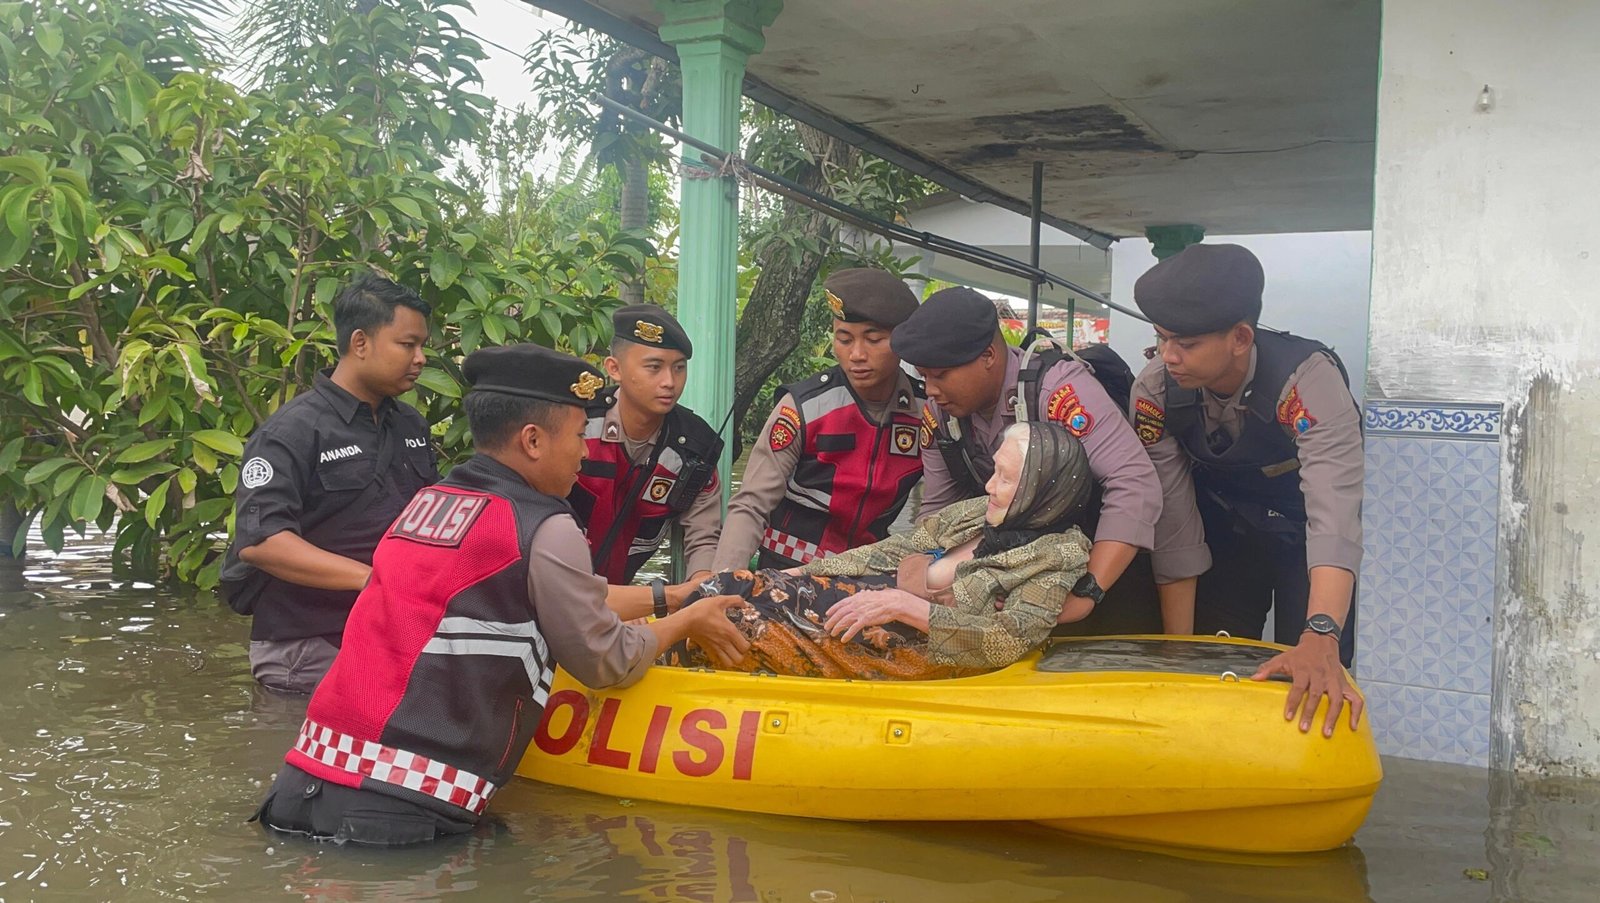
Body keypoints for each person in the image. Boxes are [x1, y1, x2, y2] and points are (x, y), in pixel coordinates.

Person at [253, 343, 750, 845]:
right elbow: (608, 660)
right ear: (532, 440)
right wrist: (687, 624)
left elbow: (572, 596)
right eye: (579, 435)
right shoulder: (546, 525)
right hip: (401, 806)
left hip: (302, 784)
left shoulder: (429, 502)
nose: (584, 452)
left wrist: (673, 598)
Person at [1130, 243, 1365, 737]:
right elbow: (1174, 522)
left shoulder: (1308, 382)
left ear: (1240, 337)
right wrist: (1179, 654)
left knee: (1314, 678)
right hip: (1226, 532)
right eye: (1161, 338)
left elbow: (1334, 514)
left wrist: (1322, 634)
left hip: (1306, 538)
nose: (1168, 357)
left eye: (1186, 343)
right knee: (1213, 670)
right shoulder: (1155, 391)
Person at [674, 421, 1092, 679]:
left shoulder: (1057, 555)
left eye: (1005, 478)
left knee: (737, 620)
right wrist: (798, 573)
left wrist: (907, 606)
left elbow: (1009, 638)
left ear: (1042, 493)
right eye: (994, 472)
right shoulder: (980, 513)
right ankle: (648, 642)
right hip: (870, 604)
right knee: (732, 586)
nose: (989, 486)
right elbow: (894, 550)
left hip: (908, 646)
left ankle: (658, 664)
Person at [891, 287, 1167, 632]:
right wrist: (927, 581)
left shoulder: (1058, 392)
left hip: (1101, 569)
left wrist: (1087, 592)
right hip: (1013, 582)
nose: (930, 390)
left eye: (941, 375)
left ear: (988, 355)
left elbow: (1134, 483)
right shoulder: (942, 416)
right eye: (924, 376)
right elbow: (939, 512)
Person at [220, 272, 439, 694]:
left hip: (389, 636)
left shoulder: (409, 424)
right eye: (407, 344)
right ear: (360, 343)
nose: (420, 358)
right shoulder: (292, 431)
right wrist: (373, 580)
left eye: (422, 346)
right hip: (308, 646)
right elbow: (262, 542)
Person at [712, 268, 925, 572]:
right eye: (844, 339)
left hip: (867, 574)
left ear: (902, 341)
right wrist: (724, 582)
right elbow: (751, 504)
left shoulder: (927, 412)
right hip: (786, 570)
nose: (857, 354)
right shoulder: (804, 407)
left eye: (874, 339)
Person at [568, 304, 723, 585]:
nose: (670, 382)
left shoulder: (695, 450)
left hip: (621, 596)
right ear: (614, 368)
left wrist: (701, 584)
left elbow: (703, 537)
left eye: (679, 368)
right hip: (551, 586)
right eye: (654, 367)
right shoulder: (576, 423)